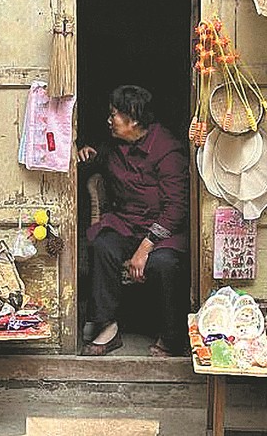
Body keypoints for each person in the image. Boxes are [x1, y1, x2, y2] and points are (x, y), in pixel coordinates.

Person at [78, 85, 189, 357]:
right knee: (103, 246)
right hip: (126, 224)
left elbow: (176, 207)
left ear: (134, 119)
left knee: (164, 264)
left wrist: (146, 247)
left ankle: (171, 336)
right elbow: (95, 164)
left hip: (163, 231)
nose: (109, 120)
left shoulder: (167, 150)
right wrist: (84, 155)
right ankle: (109, 328)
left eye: (114, 114)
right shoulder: (113, 147)